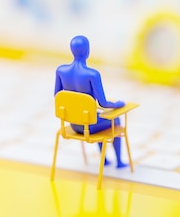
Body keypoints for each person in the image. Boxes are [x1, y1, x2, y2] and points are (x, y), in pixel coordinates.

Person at [54, 35, 128, 168]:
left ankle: (104, 159)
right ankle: (119, 162)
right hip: (90, 126)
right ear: (88, 51)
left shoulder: (61, 71)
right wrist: (117, 104)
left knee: (97, 117)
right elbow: (103, 104)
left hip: (74, 125)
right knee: (115, 120)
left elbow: (57, 96)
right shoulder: (92, 74)